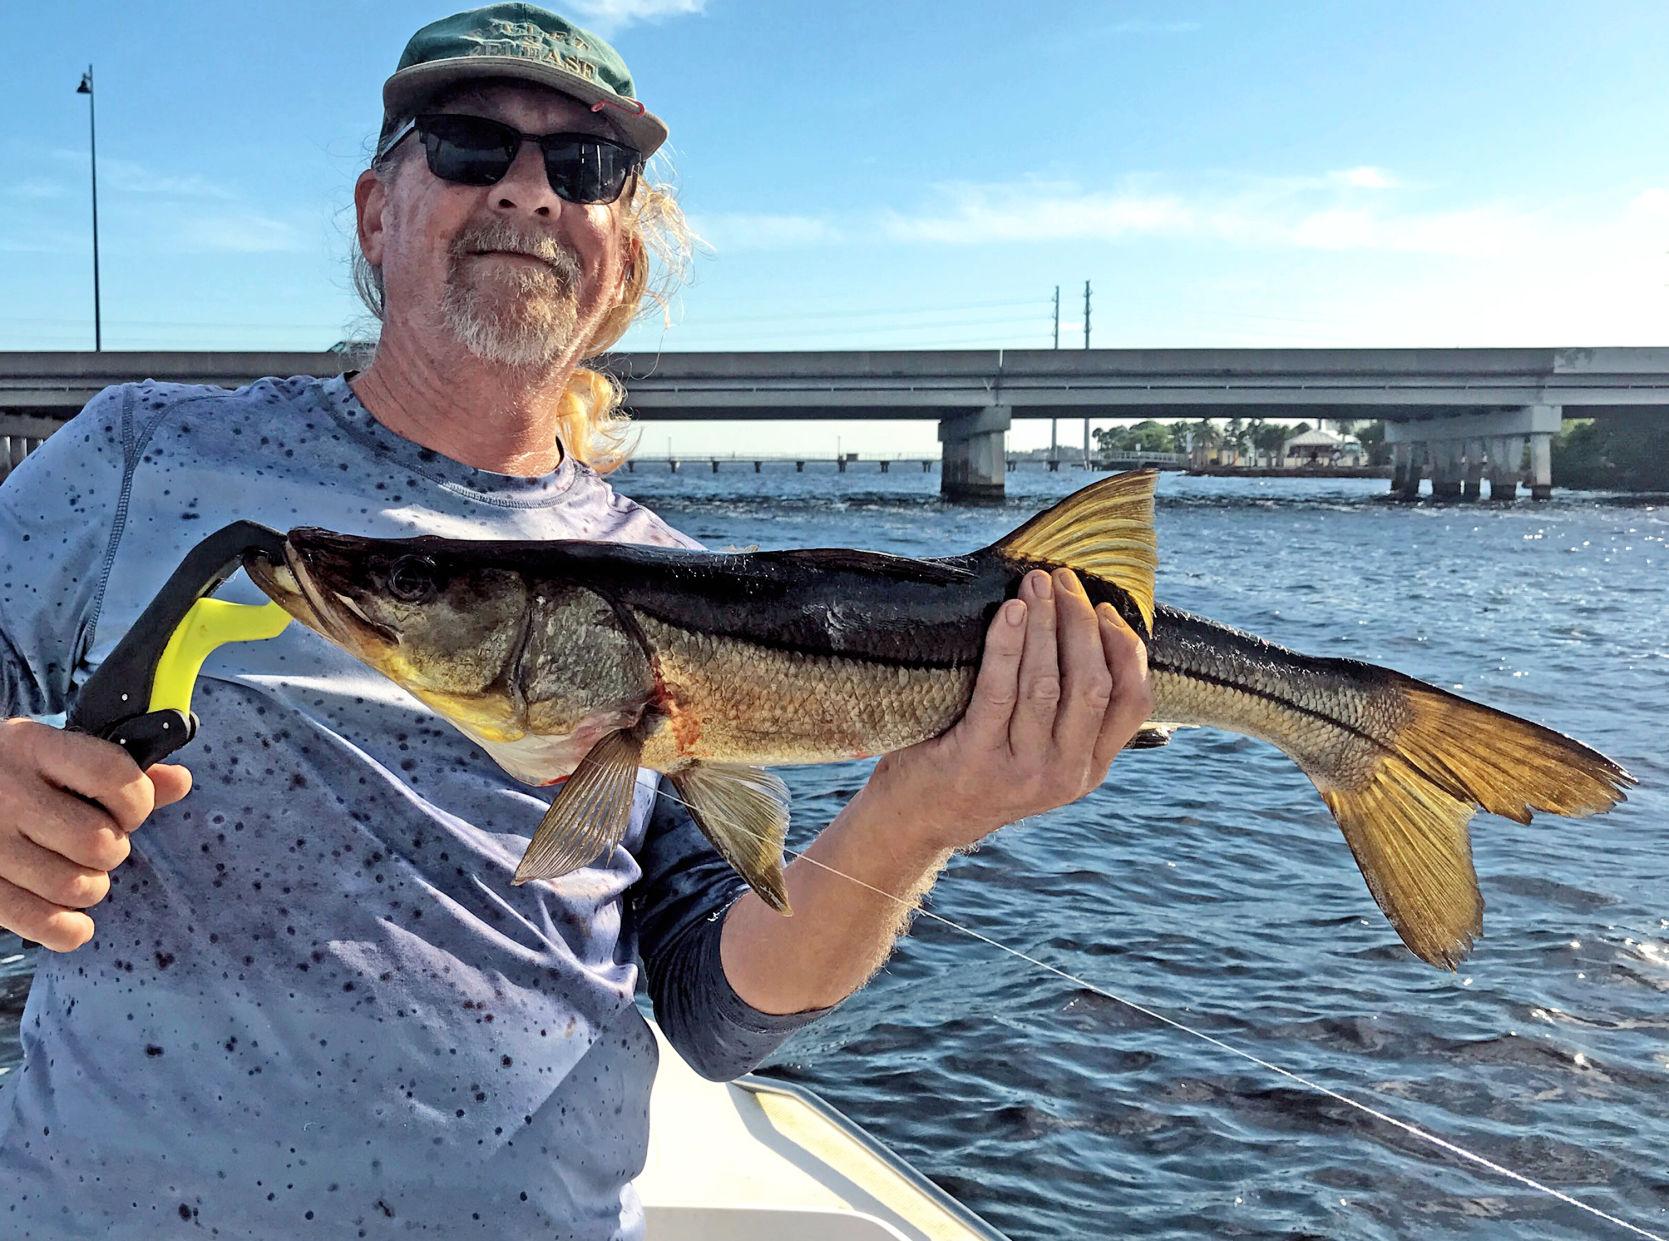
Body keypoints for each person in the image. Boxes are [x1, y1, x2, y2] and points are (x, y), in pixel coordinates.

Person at [0, 5, 1151, 1236]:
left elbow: (718, 1006)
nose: (529, 190)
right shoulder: (140, 452)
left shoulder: (688, 593)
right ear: (374, 214)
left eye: (587, 167)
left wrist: (916, 814)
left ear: (624, 261)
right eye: (467, 144)